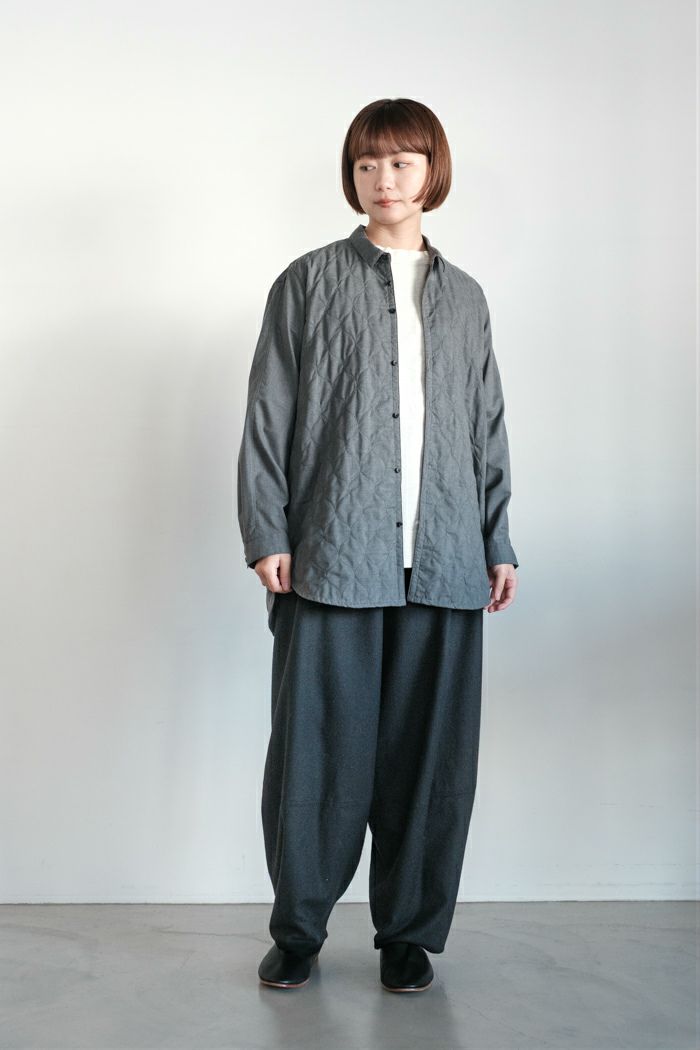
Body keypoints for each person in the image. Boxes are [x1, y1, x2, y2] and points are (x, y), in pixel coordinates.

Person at [236, 97, 519, 993]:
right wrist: (267, 530)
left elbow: (486, 425)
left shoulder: (466, 298)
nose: (383, 179)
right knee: (315, 754)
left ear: (432, 171)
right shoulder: (307, 282)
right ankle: (300, 929)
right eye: (366, 164)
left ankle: (408, 935)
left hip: (445, 558)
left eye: (400, 162)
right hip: (332, 554)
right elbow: (269, 414)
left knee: (429, 760)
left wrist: (497, 540)